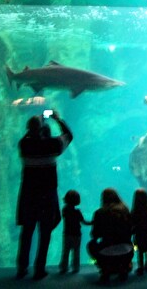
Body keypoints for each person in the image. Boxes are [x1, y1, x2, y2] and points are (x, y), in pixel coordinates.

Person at [16, 110, 73, 280]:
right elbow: (68, 135)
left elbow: (29, 136)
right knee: (45, 232)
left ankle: (22, 267)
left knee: (27, 231)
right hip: (47, 194)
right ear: (43, 131)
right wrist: (57, 119)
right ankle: (39, 268)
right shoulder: (52, 145)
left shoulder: (24, 145)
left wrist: (37, 122)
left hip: (28, 194)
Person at [88, 188, 133, 283]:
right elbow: (130, 230)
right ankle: (124, 265)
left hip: (106, 250)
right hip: (127, 250)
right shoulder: (125, 210)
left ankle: (105, 267)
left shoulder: (99, 213)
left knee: (91, 244)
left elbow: (94, 234)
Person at [59, 190, 91, 274]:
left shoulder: (64, 210)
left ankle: (63, 267)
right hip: (77, 235)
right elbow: (84, 222)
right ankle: (75, 267)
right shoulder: (77, 212)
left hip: (67, 234)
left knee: (65, 251)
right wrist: (92, 222)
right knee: (76, 252)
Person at [131, 189, 147, 275]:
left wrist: (132, 233)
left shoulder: (134, 212)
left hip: (139, 234)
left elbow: (132, 224)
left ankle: (140, 267)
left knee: (140, 252)